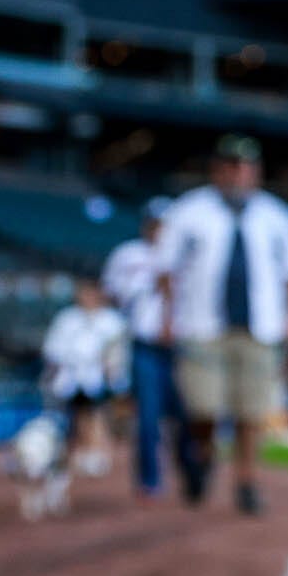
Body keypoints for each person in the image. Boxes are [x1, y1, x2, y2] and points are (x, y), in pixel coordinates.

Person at [152, 135, 288, 516]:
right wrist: (167, 317)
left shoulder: (277, 217)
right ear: (217, 170)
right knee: (203, 408)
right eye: (231, 166)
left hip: (259, 329)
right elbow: (165, 270)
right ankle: (203, 457)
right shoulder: (188, 212)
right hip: (202, 326)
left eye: (246, 167)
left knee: (251, 412)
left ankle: (247, 482)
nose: (239, 174)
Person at [104, 196, 205, 501]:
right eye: (155, 223)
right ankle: (149, 479)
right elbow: (112, 295)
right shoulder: (128, 254)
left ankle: (190, 472)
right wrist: (147, 284)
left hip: (182, 345)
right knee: (147, 415)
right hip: (145, 344)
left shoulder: (189, 256)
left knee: (189, 414)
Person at [39, 277, 127, 478]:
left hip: (99, 376)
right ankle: (80, 452)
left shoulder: (111, 320)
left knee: (98, 413)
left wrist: (112, 368)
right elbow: (53, 348)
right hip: (72, 377)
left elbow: (117, 350)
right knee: (77, 415)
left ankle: (99, 452)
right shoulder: (67, 318)